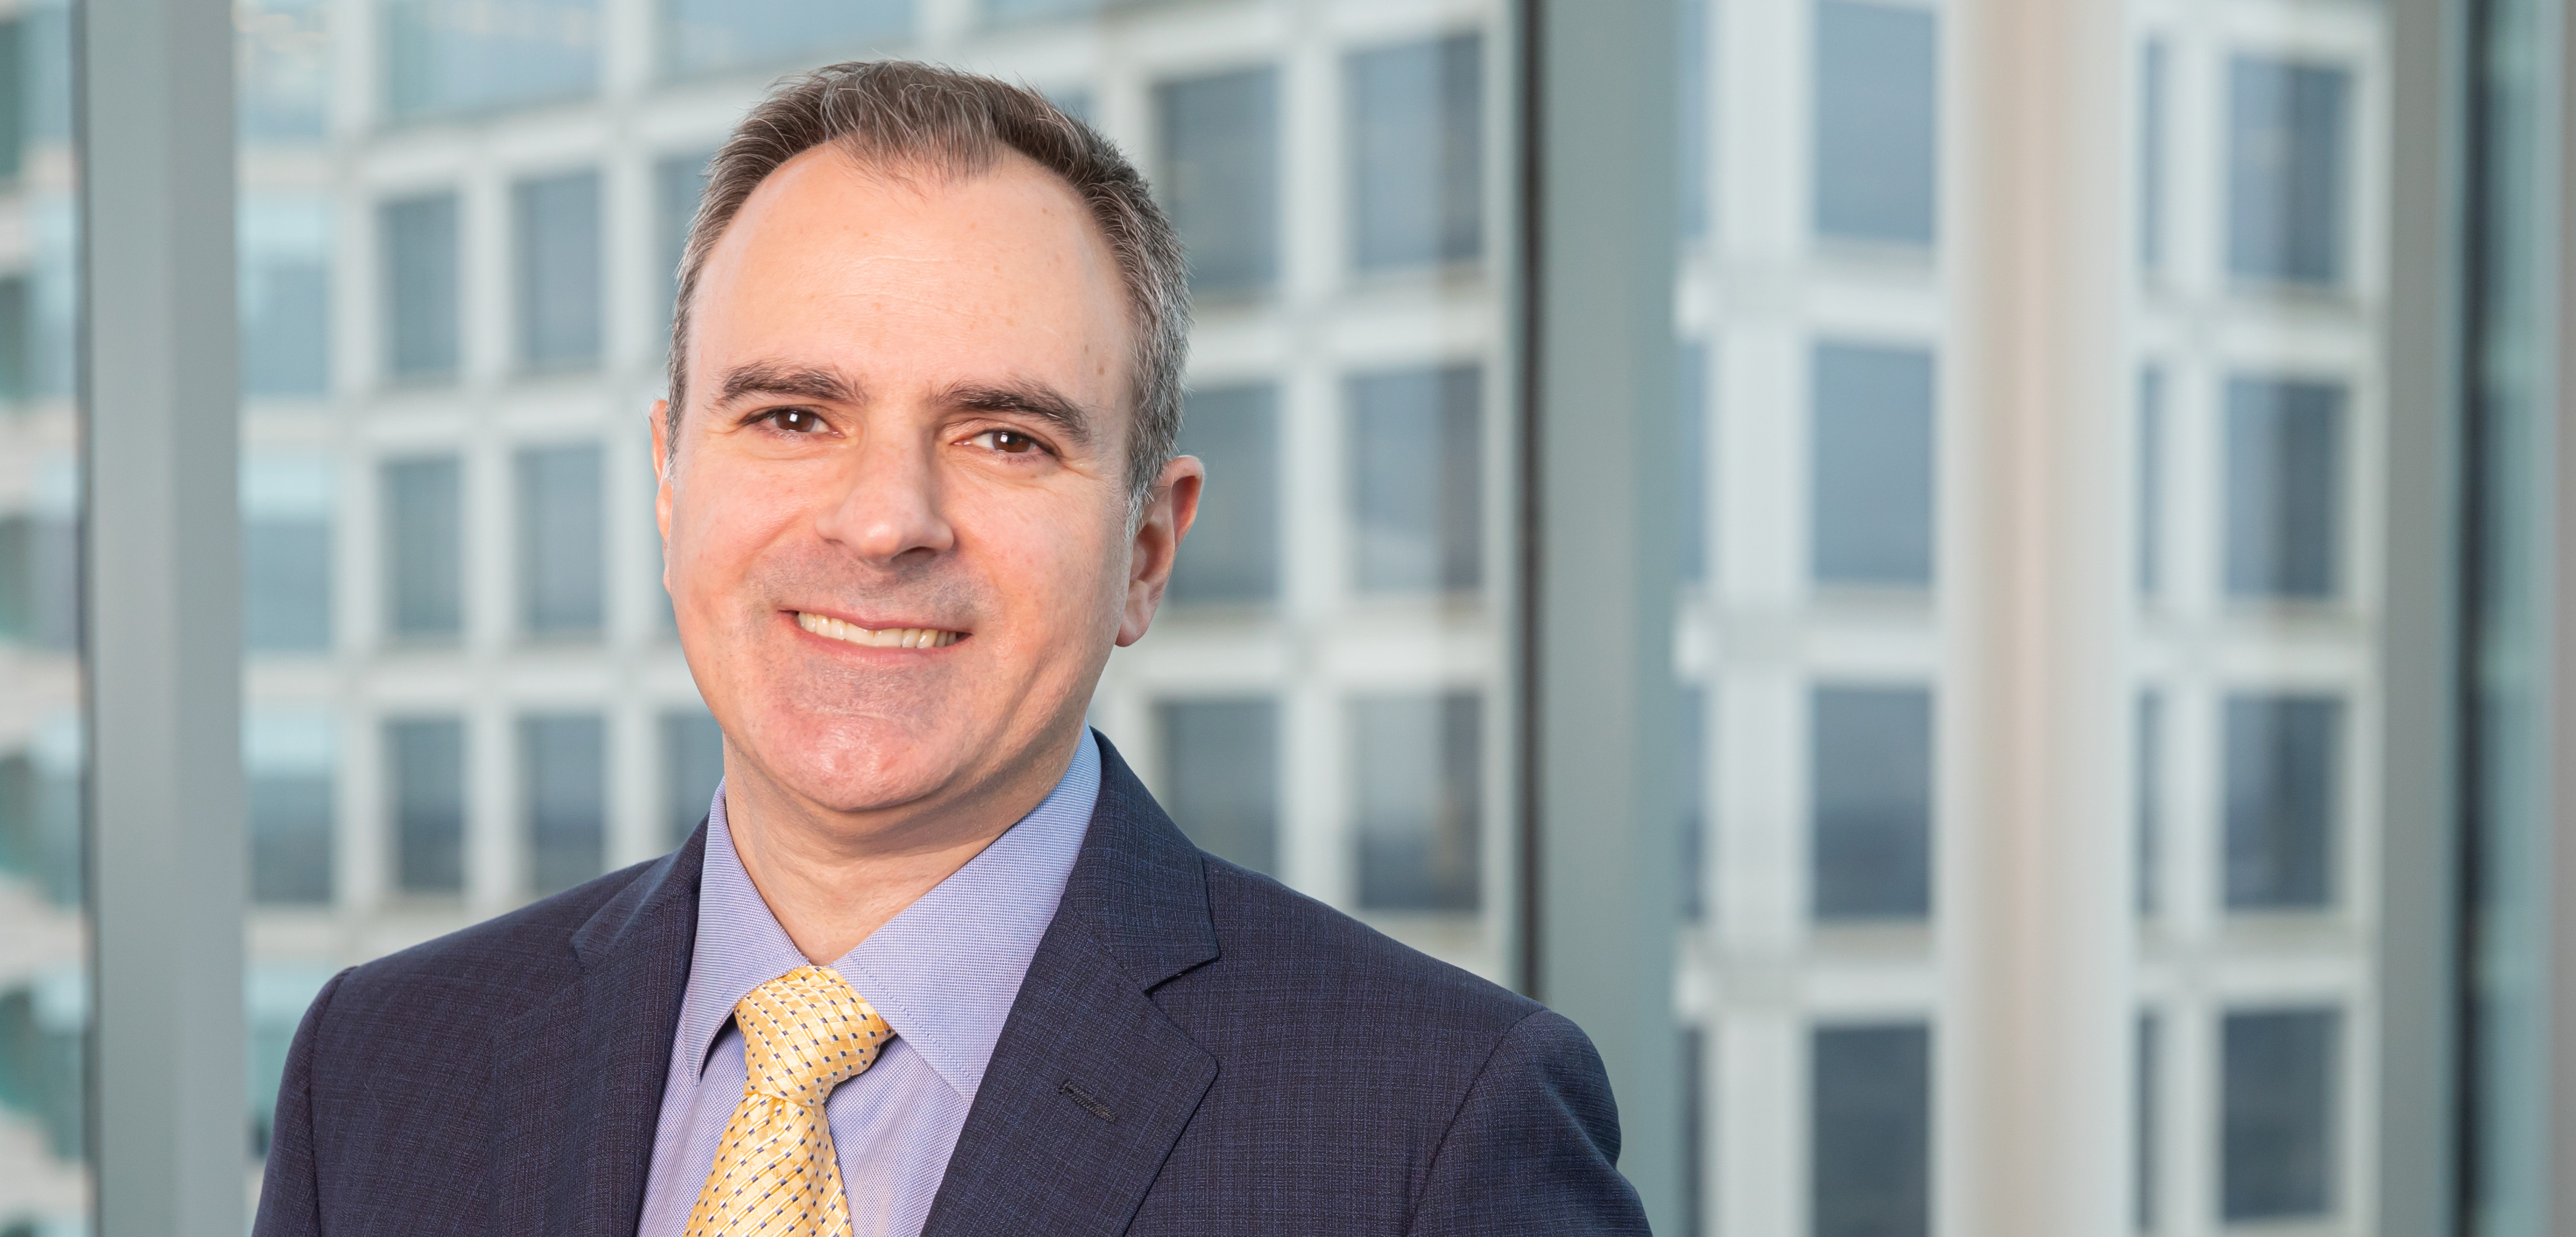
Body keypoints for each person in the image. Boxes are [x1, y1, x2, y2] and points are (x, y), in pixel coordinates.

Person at [252, 61, 1646, 1237]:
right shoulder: (382, 1066)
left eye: (1004, 437)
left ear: (1145, 550)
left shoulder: (1436, 1125)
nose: (885, 523)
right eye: (794, 416)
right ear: (671, 483)